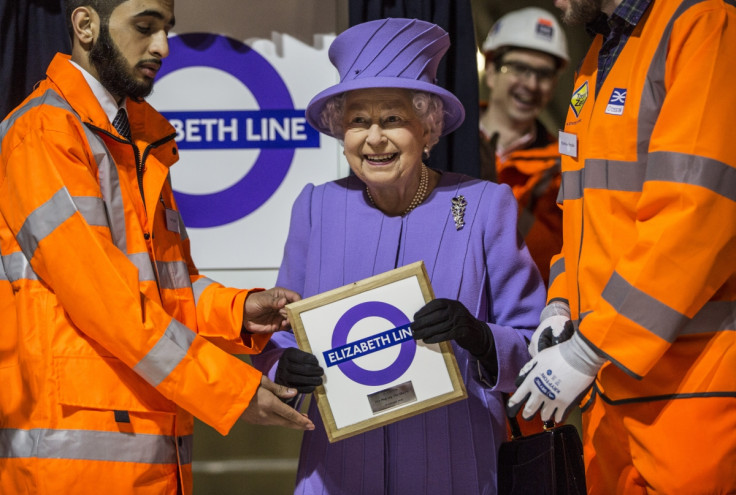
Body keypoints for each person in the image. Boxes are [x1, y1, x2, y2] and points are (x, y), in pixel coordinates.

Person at [0, 1, 315, 493]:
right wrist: (231, 390)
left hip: (153, 455)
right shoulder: (41, 133)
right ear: (85, 25)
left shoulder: (137, 138)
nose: (163, 47)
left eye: (167, 29)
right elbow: (108, 302)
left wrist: (239, 311)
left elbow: (168, 287)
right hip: (73, 468)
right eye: (145, 28)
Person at [250, 18, 547, 494]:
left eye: (392, 120)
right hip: (338, 472)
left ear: (428, 129)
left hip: (456, 468)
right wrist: (282, 366)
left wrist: (478, 335)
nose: (374, 138)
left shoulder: (484, 206)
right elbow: (283, 331)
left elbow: (534, 346)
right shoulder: (316, 207)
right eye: (358, 121)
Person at [508, 0, 736, 493]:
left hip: (690, 389)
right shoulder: (598, 54)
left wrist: (589, 350)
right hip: (606, 392)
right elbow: (583, 216)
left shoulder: (701, 23)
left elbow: (696, 214)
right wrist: (560, 303)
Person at [479, 7, 569, 286]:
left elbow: (552, 262)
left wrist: (498, 198)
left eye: (543, 74)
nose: (531, 84)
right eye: (520, 68)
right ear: (491, 71)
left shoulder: (564, 165)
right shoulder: (443, 139)